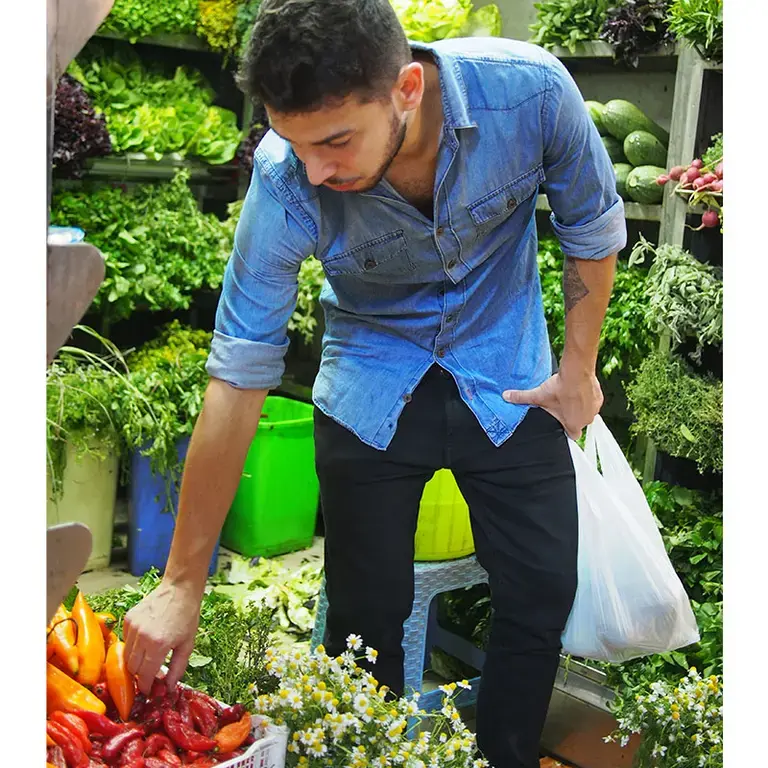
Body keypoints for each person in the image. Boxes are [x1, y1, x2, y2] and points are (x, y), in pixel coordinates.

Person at [123, 1, 626, 765]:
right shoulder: (285, 178)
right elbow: (238, 372)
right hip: (369, 385)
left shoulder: (529, 94)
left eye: (335, 141)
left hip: (508, 375)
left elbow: (592, 224)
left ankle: (507, 755)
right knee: (365, 618)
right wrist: (182, 583)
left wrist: (577, 371)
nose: (317, 170)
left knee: (540, 592)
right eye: (298, 145)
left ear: (408, 90)